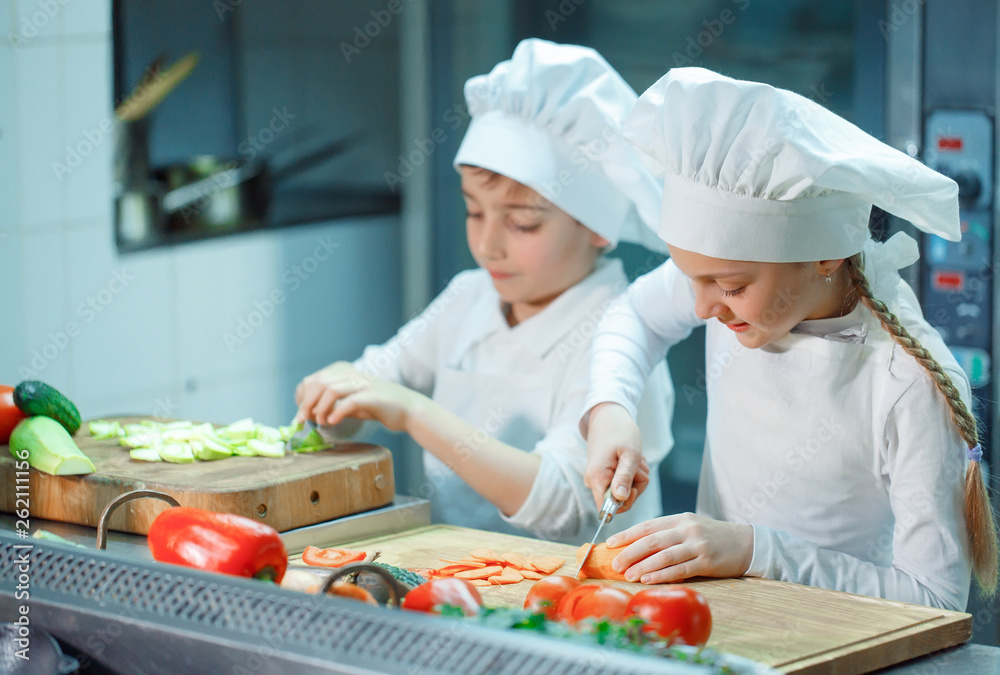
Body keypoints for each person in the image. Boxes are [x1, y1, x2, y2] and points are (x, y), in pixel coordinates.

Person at [580, 67, 998, 610]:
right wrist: (610, 408)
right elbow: (634, 314)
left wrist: (757, 552)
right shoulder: (732, 286)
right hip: (721, 627)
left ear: (825, 254)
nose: (703, 306)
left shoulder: (907, 384)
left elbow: (936, 599)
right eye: (690, 278)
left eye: (729, 287)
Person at [294, 38, 673, 544]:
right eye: (474, 211)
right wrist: (335, 401)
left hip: (587, 602)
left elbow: (563, 506)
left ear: (598, 228)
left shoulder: (622, 338)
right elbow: (378, 381)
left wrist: (410, 410)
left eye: (521, 222)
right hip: (467, 584)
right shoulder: (468, 298)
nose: (487, 244)